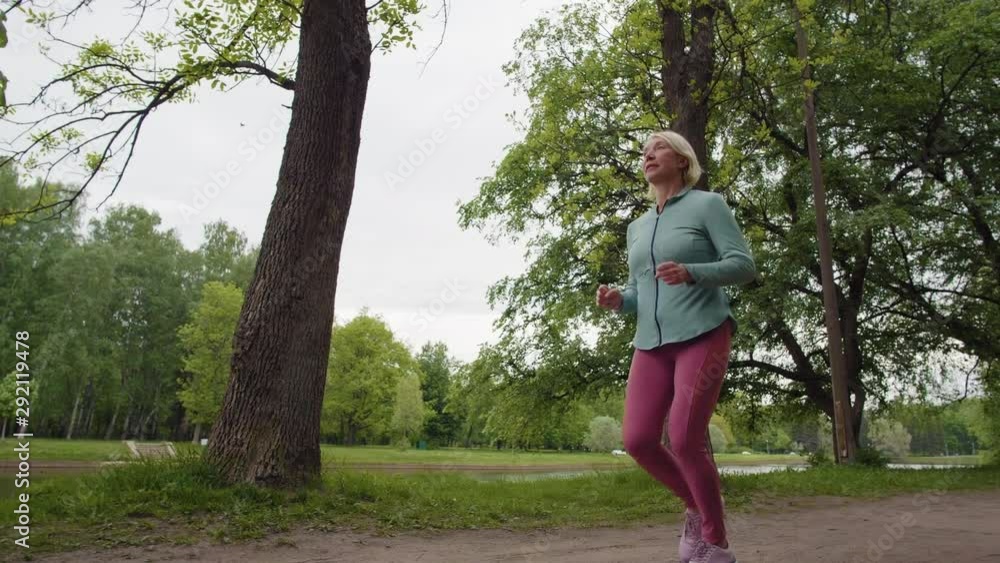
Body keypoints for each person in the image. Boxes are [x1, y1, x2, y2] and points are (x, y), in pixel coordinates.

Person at [596, 130, 756, 563]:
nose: (648, 155)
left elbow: (743, 265)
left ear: (683, 160)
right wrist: (619, 300)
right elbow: (639, 289)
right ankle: (696, 510)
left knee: (684, 438)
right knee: (638, 440)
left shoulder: (708, 205)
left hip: (703, 333)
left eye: (658, 148)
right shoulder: (637, 227)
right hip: (650, 343)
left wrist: (692, 271)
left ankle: (715, 545)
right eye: (644, 151)